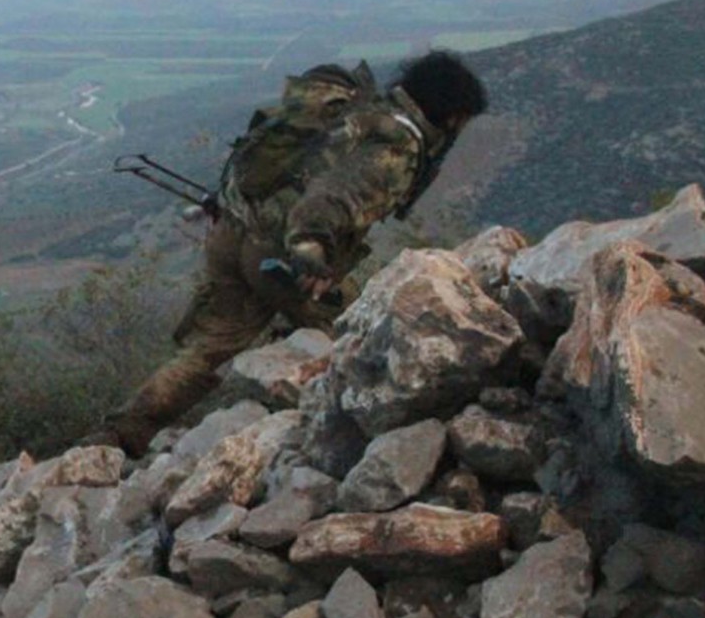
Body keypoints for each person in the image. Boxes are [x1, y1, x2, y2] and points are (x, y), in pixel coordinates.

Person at [98, 50, 488, 456]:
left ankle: (121, 434)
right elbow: (328, 199)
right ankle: (371, 442)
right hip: (281, 260)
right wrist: (310, 248)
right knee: (362, 334)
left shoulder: (360, 113)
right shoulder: (396, 144)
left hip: (232, 232)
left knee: (207, 349)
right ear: (452, 113)